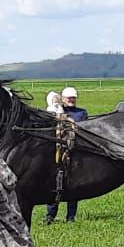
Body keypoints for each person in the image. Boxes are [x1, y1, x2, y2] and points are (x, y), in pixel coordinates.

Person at [44, 87, 88, 224]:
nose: (71, 100)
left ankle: (71, 216)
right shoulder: (55, 111)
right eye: (68, 98)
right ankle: (50, 215)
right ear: (63, 98)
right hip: (57, 153)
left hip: (75, 153)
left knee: (74, 184)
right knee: (54, 184)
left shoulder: (81, 113)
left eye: (73, 97)